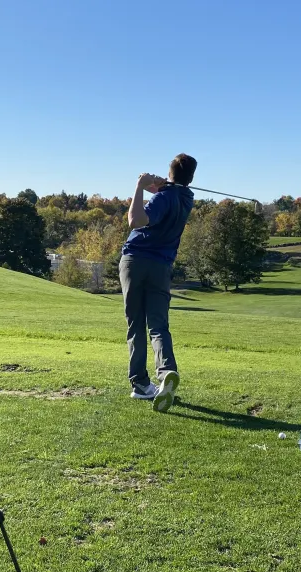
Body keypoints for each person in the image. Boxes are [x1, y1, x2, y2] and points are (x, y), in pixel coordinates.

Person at [119, 154, 197, 413]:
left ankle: (141, 384)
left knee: (135, 325)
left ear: (170, 171)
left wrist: (139, 187)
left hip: (136, 261)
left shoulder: (163, 197)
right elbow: (169, 195)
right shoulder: (186, 198)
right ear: (191, 178)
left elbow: (136, 220)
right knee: (159, 326)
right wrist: (157, 186)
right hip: (162, 266)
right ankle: (166, 373)